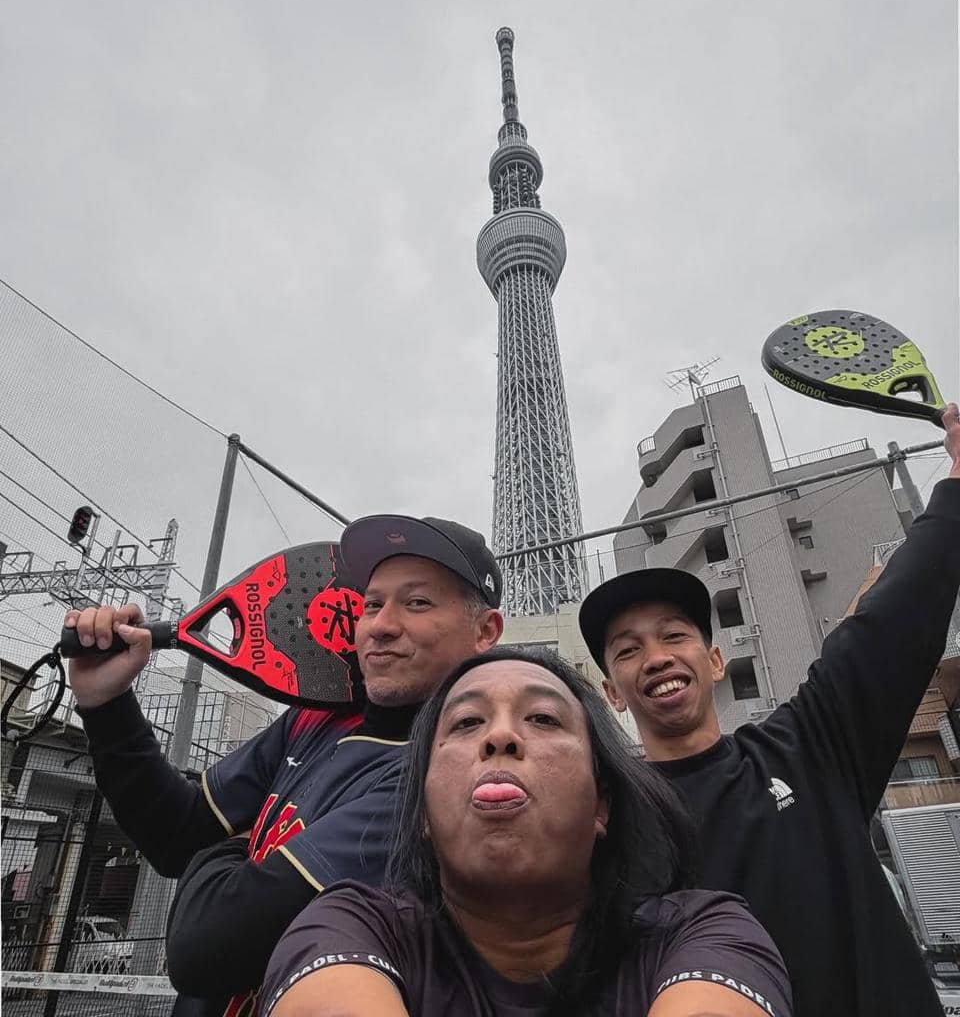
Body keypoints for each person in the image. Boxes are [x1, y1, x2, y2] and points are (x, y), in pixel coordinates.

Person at [577, 403, 960, 1017]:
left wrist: (955, 489)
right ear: (612, 693)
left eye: (675, 637)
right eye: (628, 650)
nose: (655, 657)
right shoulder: (601, 820)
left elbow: (888, 626)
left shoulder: (807, 749)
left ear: (714, 660)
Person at [65, 514, 504, 1017]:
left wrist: (230, 844)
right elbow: (177, 834)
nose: (382, 625)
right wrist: (107, 704)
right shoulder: (312, 719)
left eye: (417, 602)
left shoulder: (441, 775)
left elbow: (207, 949)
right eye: (372, 604)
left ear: (485, 630)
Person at [260, 647, 793, 1017]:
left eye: (542, 718)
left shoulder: (701, 934)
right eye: (466, 723)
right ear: (422, 811)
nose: (500, 736)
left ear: (600, 805)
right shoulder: (350, 925)